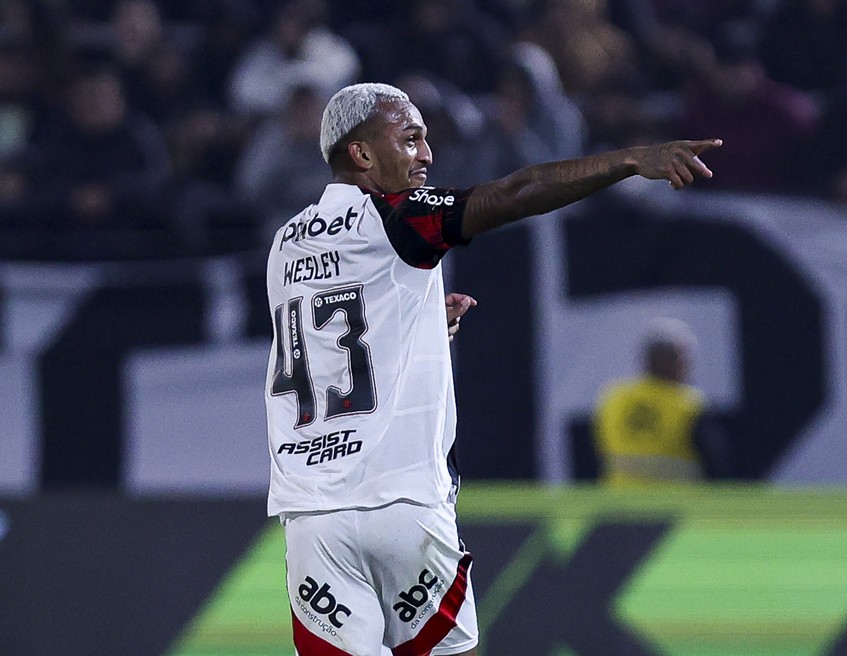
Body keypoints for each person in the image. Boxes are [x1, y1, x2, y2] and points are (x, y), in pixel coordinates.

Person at [264, 82, 721, 656]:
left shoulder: (285, 244)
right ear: (361, 155)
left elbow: (335, 341)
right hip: (402, 503)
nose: (427, 154)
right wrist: (627, 160)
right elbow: (515, 191)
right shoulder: (396, 220)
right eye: (410, 139)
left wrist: (424, 320)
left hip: (312, 515)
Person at [593, 318, 733, 484]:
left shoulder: (612, 397)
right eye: (685, 360)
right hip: (676, 505)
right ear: (675, 363)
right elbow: (718, 466)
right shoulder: (689, 405)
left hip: (620, 503)